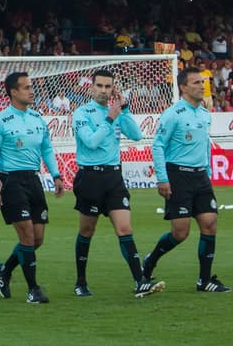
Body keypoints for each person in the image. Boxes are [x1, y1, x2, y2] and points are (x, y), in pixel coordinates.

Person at [71, 68, 163, 297]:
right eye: (100, 86)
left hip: (113, 177)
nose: (104, 90)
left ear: (113, 88)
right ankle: (80, 282)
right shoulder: (82, 113)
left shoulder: (117, 111)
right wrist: (110, 118)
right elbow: (91, 142)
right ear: (91, 87)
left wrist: (125, 109)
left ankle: (139, 281)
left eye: (108, 86)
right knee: (87, 230)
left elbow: (136, 135)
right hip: (90, 177)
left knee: (124, 228)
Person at [142, 68, 227, 292]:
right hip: (178, 175)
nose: (202, 86)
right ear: (183, 87)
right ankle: (150, 261)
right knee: (180, 232)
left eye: (203, 82)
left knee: (210, 224)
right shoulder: (172, 114)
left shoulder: (204, 114)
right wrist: (163, 179)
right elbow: (158, 145)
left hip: (200, 177)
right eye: (197, 82)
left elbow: (203, 145)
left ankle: (205, 280)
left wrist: (207, 171)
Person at [0, 71, 65, 304]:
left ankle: (4, 269)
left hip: (33, 180)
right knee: (28, 236)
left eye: (31, 86)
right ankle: (33, 290)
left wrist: (57, 175)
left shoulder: (38, 119)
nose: (31, 91)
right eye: (26, 87)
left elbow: (47, 149)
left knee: (37, 239)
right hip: (11, 181)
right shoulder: (0, 122)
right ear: (13, 92)